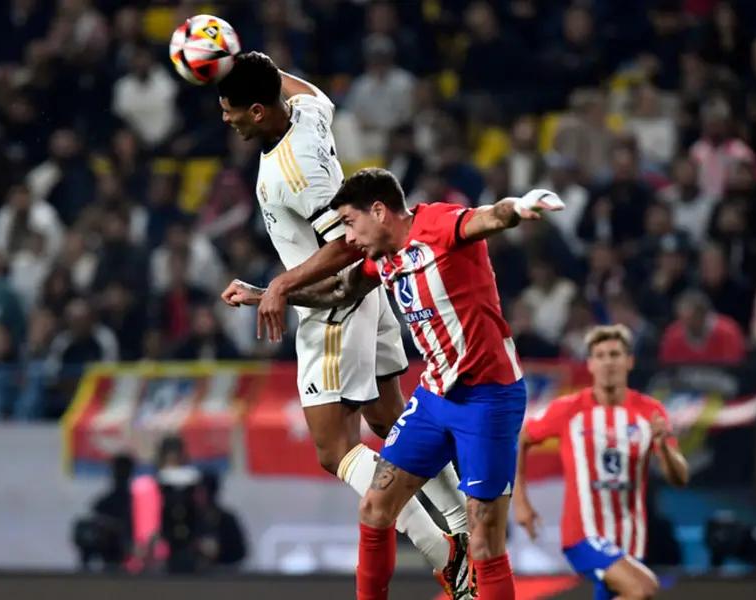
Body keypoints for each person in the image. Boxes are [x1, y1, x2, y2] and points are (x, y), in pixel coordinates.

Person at [229, 169, 562, 600]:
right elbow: (337, 294)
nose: (348, 237)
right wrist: (265, 294)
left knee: (484, 544)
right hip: (434, 399)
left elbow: (487, 218)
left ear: (380, 211)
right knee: (374, 507)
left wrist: (519, 207)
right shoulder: (380, 259)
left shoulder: (437, 225)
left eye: (350, 222)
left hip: (489, 399)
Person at [212, 52, 471, 597]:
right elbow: (296, 85)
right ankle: (464, 528)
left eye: (231, 108)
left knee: (334, 450)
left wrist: (279, 287)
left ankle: (443, 554)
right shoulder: (307, 111)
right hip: (367, 296)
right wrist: (239, 59)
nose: (225, 117)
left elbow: (344, 245)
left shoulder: (295, 168)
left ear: (258, 112)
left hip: (332, 306)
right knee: (389, 419)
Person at [514, 325, 690, 600]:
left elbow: (679, 478)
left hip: (629, 537)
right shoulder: (569, 409)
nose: (608, 362)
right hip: (583, 535)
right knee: (643, 588)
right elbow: (523, 438)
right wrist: (520, 501)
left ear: (629, 361)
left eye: (615, 354)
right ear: (590, 364)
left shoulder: (650, 412)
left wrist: (665, 449)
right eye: (601, 355)